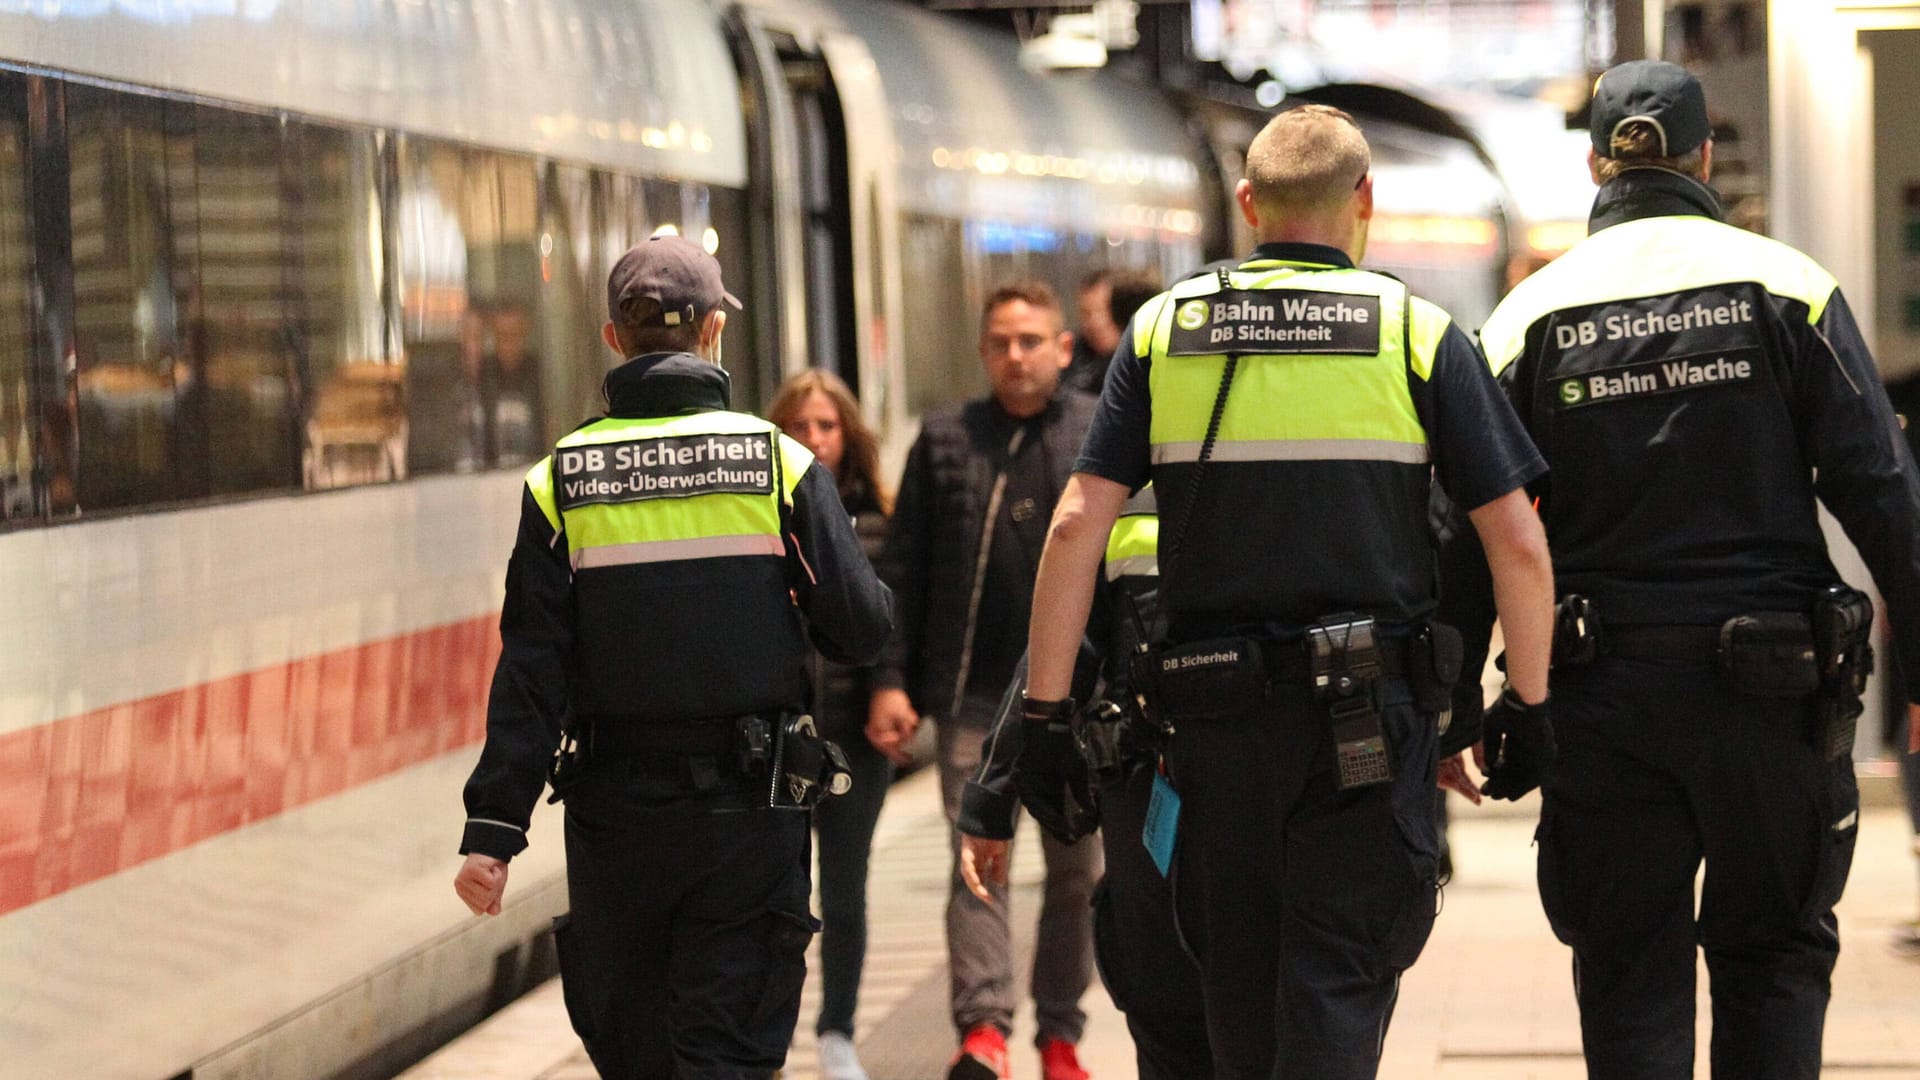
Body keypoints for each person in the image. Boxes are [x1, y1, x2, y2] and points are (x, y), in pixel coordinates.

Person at [1018, 104, 1556, 1079]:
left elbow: (1074, 526)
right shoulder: (1417, 334)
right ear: (1366, 201)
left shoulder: (1162, 331)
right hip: (1361, 725)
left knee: (1239, 993)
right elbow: (1515, 540)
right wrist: (1529, 700)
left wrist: (1046, 714)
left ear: (1248, 202)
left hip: (1214, 730)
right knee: (1336, 987)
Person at [1464, 59, 1920, 1079]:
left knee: (1629, 977)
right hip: (1775, 701)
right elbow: (1885, 494)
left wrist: (1453, 706)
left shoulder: (1528, 317)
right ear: (1705, 155)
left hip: (1600, 701)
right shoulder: (1789, 287)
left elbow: (1471, 528)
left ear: (1593, 164)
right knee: (1773, 960)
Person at [451, 236, 894, 1080]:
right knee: (726, 1055)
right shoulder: (779, 464)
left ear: (614, 339)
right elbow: (861, 630)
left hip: (615, 824)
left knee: (640, 1058)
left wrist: (494, 831)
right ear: (716, 331)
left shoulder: (560, 481)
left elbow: (531, 675)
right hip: (746, 819)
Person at [868, 281, 1103, 1080]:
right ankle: (985, 1029)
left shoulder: (1096, 432)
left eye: (1032, 341)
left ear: (1063, 348)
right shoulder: (945, 441)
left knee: (1079, 873)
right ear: (982, 350)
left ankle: (1062, 1032)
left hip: (1074, 698)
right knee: (979, 861)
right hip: (970, 700)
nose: (1016, 356)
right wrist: (890, 682)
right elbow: (901, 570)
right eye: (1001, 342)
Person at [958, 486, 1216, 1079]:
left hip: (1154, 780)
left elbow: (1064, 640)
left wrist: (992, 798)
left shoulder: (1129, 476)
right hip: (1278, 775)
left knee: (1169, 1012)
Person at [767, 369, 893, 1080]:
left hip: (849, 740)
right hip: (778, 739)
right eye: (795, 427)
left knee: (845, 890)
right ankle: (770, 1037)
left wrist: (890, 698)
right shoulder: (752, 524)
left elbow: (888, 629)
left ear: (849, 435)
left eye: (825, 426)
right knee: (780, 896)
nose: (812, 440)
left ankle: (837, 1031)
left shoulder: (876, 521)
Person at [1064, 271, 1118, 395]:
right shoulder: (1070, 357)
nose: (1095, 322)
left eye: (1103, 310)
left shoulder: (1140, 356)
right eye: (1086, 313)